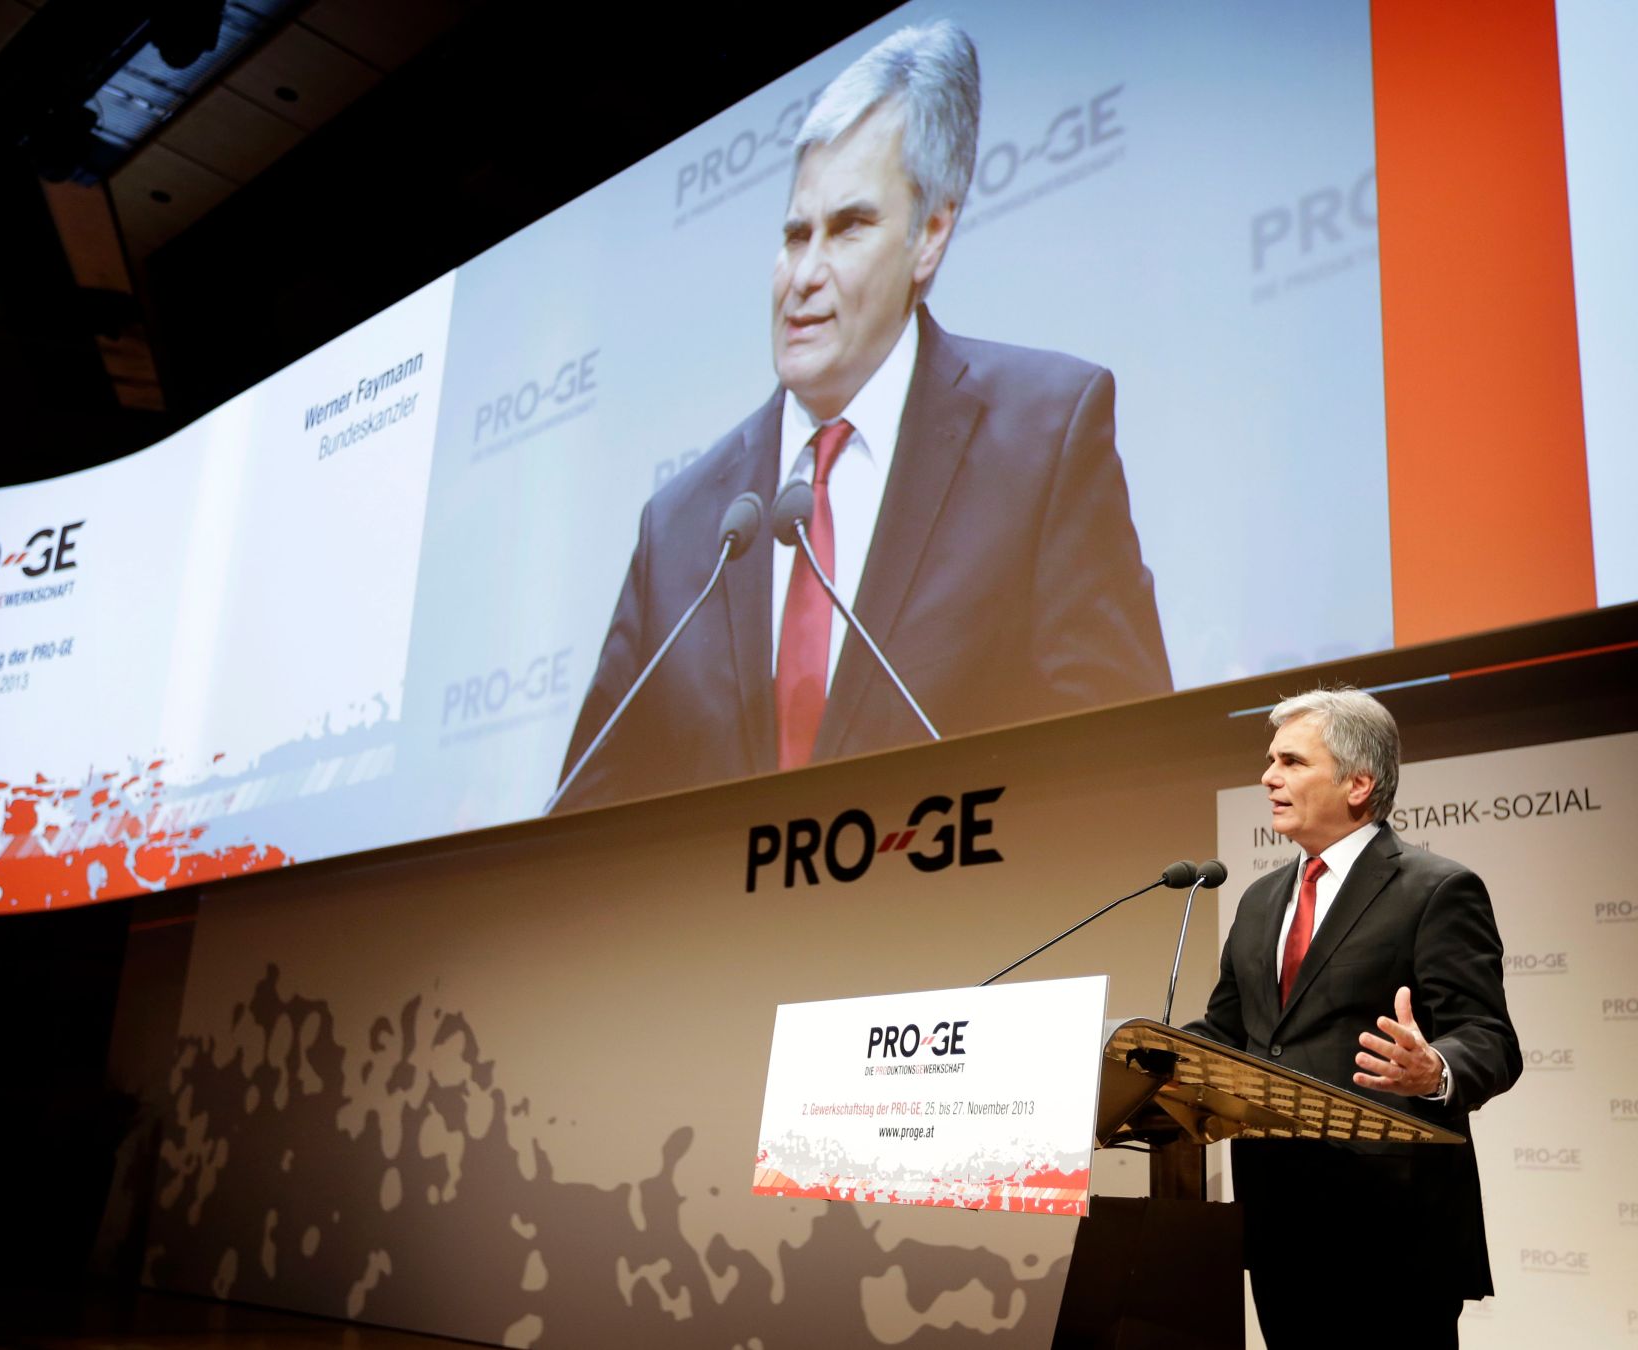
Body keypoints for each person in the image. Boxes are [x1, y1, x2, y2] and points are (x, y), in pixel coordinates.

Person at [555, 22, 1170, 812]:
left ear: (931, 236)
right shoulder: (681, 528)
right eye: (793, 234)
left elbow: (1127, 767)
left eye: (848, 228)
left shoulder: (1045, 437)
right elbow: (585, 816)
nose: (804, 275)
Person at [1187, 687, 1521, 1349]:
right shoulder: (1260, 899)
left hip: (1391, 1226)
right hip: (1279, 1217)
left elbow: (1491, 1039)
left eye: (1291, 761)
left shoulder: (1435, 889)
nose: (1268, 776)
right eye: (1269, 760)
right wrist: (1151, 1059)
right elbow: (1229, 1034)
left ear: (1358, 784)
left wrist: (1433, 1070)